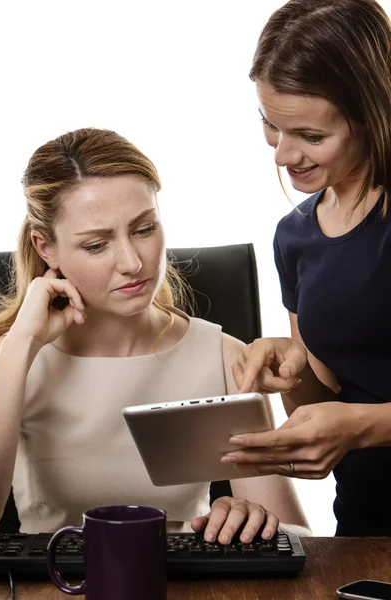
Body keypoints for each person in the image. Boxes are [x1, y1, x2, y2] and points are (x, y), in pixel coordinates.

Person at [0, 127, 309, 543]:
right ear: (45, 248)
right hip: (57, 584)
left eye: (144, 230)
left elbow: (300, 537)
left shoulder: (224, 357)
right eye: (96, 245)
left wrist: (256, 521)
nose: (132, 263)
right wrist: (22, 341)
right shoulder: (9, 359)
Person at [222, 0, 391, 536]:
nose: (282, 154)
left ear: (373, 114)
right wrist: (292, 368)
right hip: (367, 528)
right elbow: (328, 404)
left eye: (311, 137)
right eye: (271, 126)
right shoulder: (295, 237)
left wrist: (367, 426)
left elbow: (357, 421)